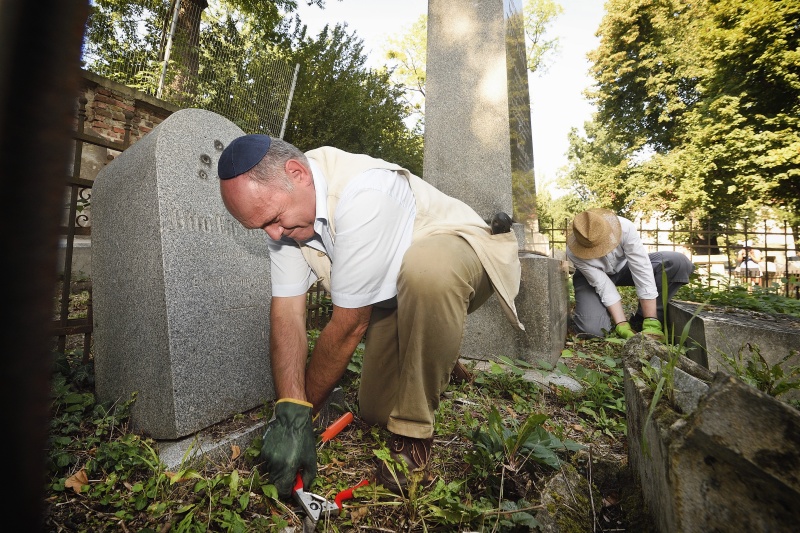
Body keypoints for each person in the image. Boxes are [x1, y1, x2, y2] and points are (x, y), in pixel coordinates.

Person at [216, 134, 524, 498]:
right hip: (394, 292)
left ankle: (413, 436)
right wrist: (290, 408)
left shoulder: (364, 193)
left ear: (297, 173)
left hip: (462, 254)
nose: (273, 233)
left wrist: (303, 417)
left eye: (273, 219)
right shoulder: (283, 218)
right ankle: (441, 355)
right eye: (261, 227)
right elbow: (287, 314)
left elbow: (349, 325)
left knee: (427, 272)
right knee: (377, 410)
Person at [565, 208, 694, 341]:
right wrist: (621, 324)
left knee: (677, 262)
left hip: (625, 267)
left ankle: (644, 319)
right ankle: (606, 316)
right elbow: (603, 285)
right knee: (592, 331)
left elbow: (641, 269)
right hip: (590, 279)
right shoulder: (573, 251)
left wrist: (651, 320)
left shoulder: (624, 227)